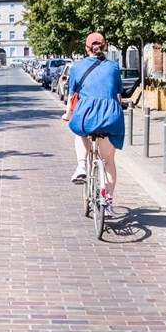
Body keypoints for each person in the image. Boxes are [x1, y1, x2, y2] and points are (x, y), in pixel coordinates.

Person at [61, 32, 124, 212]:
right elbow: (118, 95)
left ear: (86, 48)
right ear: (105, 47)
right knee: (108, 161)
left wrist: (67, 115)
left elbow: (73, 97)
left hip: (86, 114)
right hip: (110, 116)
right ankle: (108, 202)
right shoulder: (113, 67)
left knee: (79, 131)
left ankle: (81, 165)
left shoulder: (77, 67)